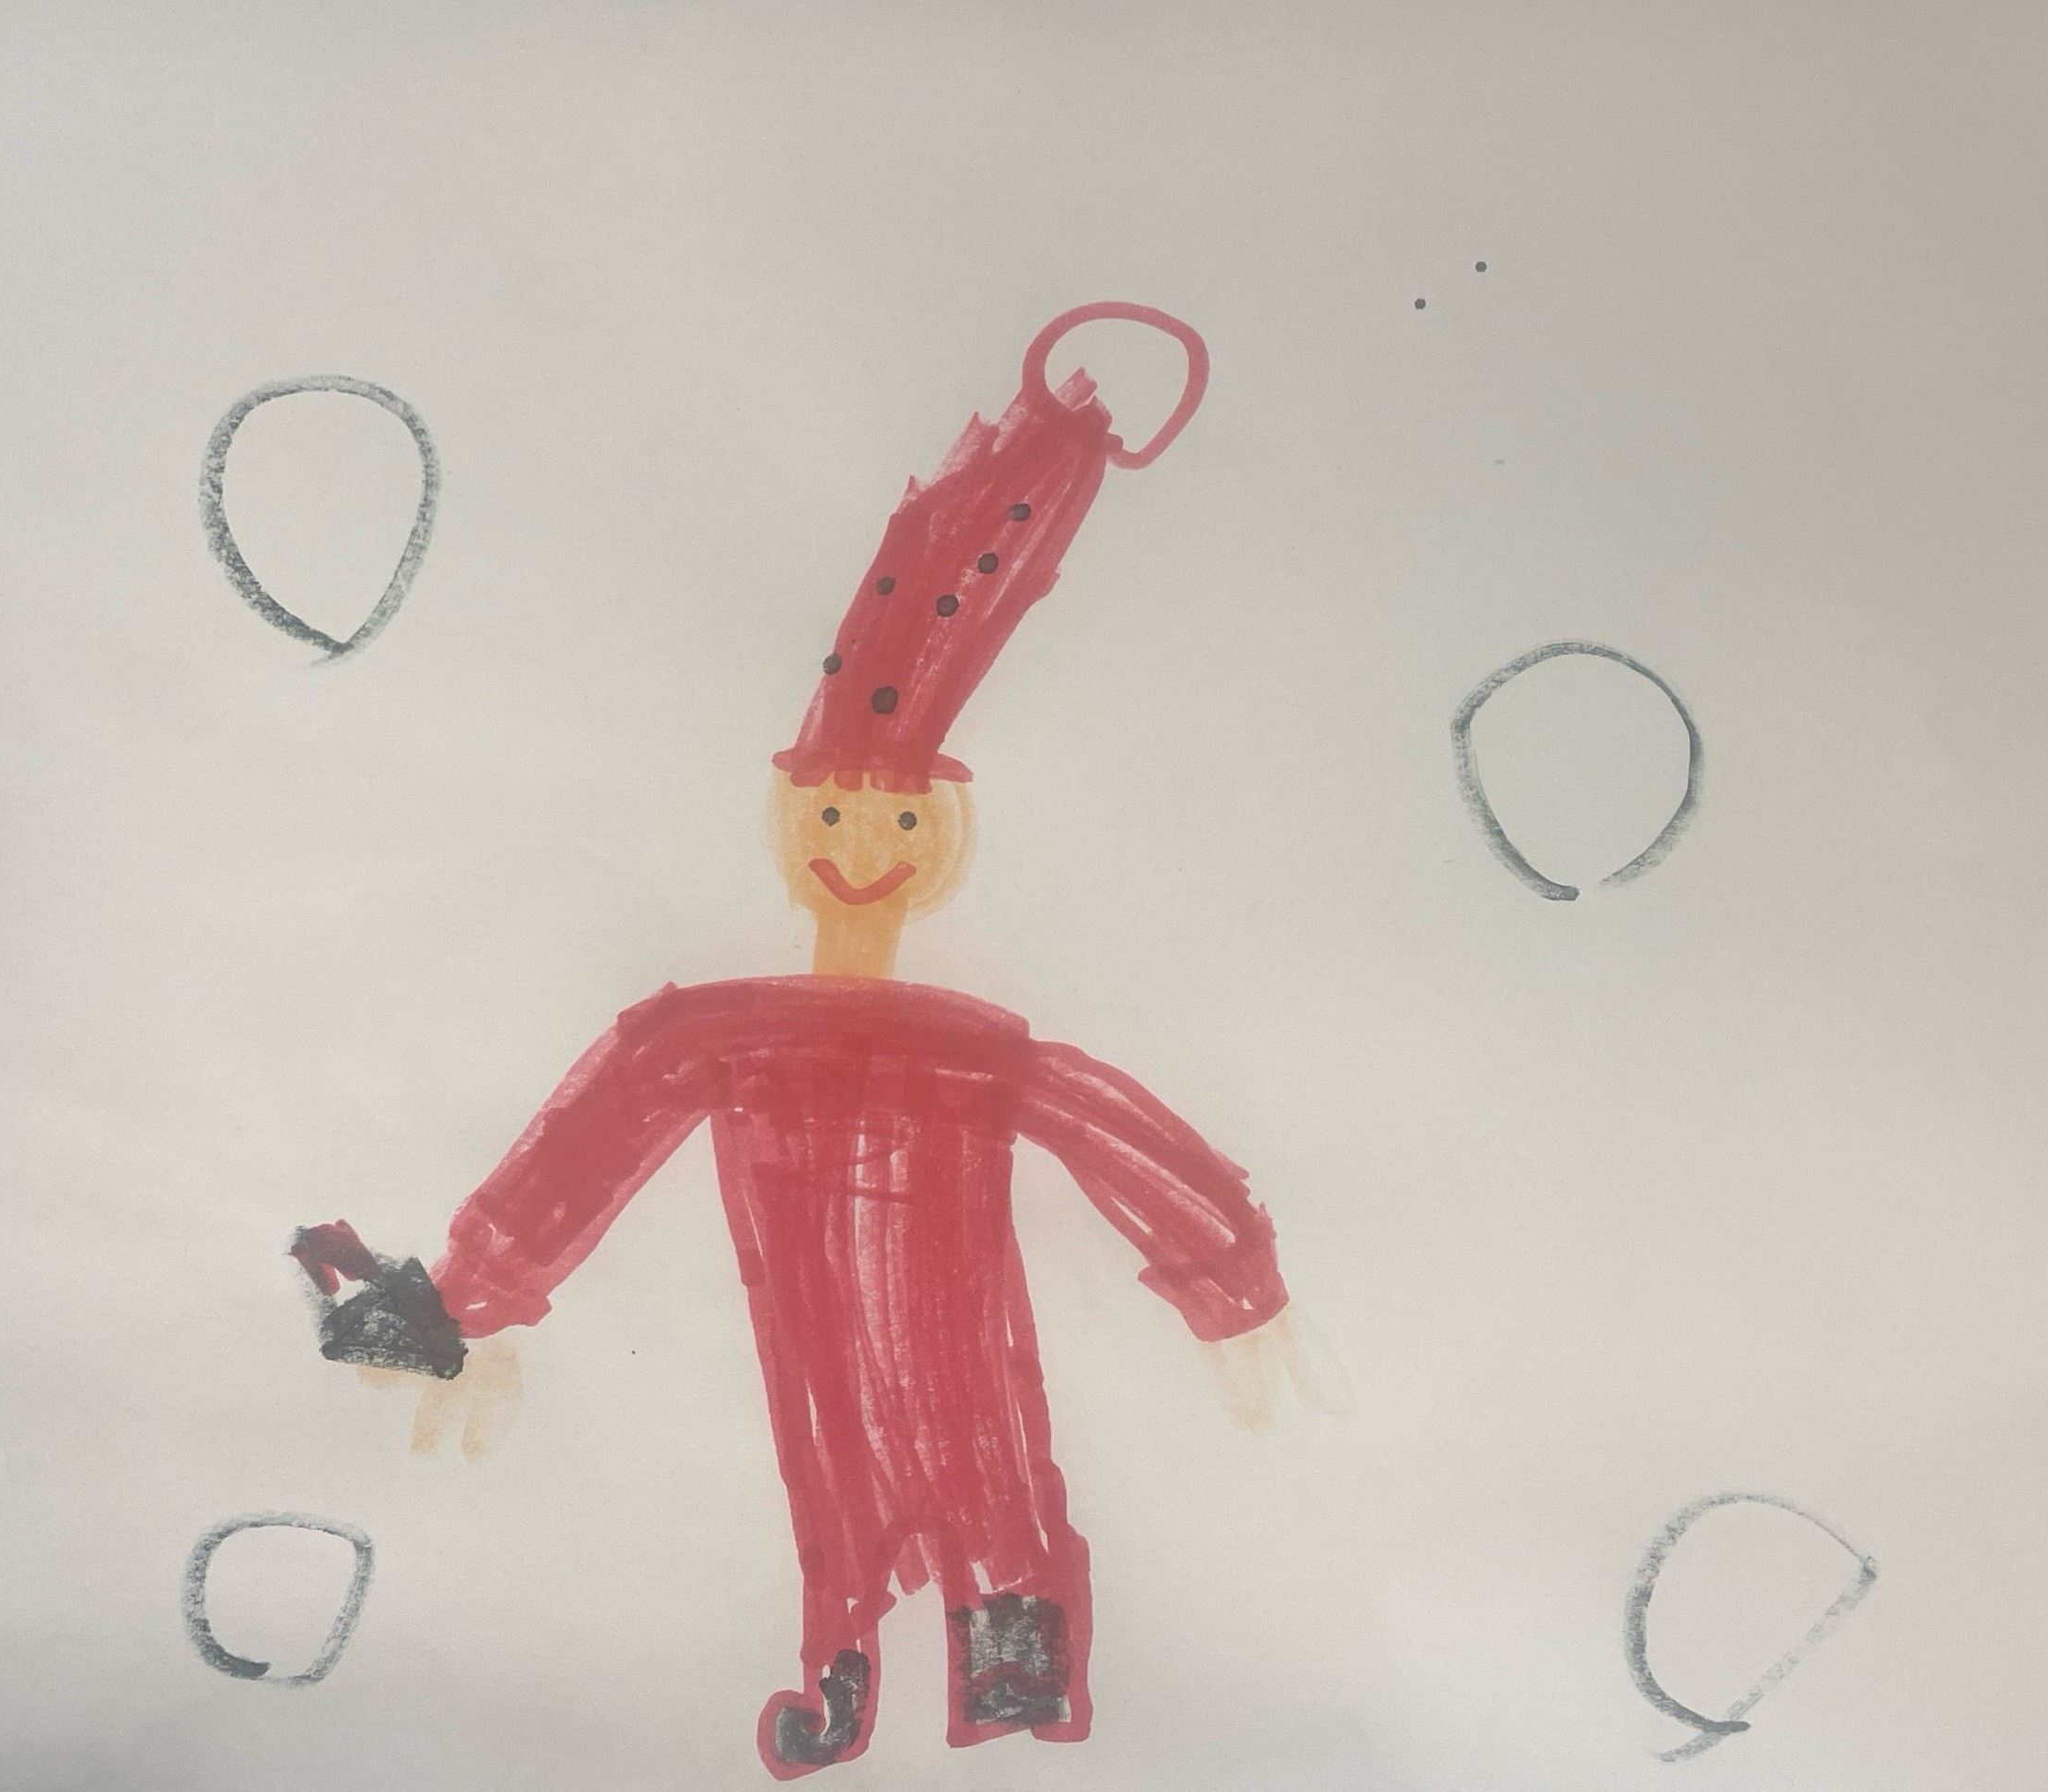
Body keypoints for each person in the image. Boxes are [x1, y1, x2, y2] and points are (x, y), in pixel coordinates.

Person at [294, 303, 1342, 1779]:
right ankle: (843, 1672)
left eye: (898, 818)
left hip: (968, 1360)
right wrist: (462, 1306)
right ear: (792, 828)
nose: (863, 849)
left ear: (946, 840)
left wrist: (1233, 1274)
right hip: (823, 1370)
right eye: (837, 815)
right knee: (839, 1481)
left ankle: (1010, 1667)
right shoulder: (717, 1036)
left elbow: (1105, 1122)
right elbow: (586, 1148)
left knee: (988, 1478)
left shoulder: (971, 1047)